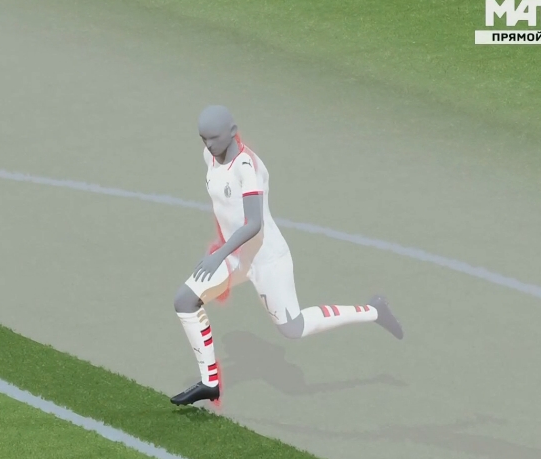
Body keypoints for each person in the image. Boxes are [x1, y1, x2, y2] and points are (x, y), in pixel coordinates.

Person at [170, 105, 403, 407]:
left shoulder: (247, 167)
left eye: (213, 138)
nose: (208, 145)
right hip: (234, 257)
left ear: (232, 132)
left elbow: (253, 223)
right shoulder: (210, 158)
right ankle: (210, 383)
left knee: (294, 328)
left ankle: (374, 311)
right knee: (184, 300)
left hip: (267, 259)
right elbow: (224, 208)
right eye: (203, 138)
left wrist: (219, 255)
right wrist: (220, 245)